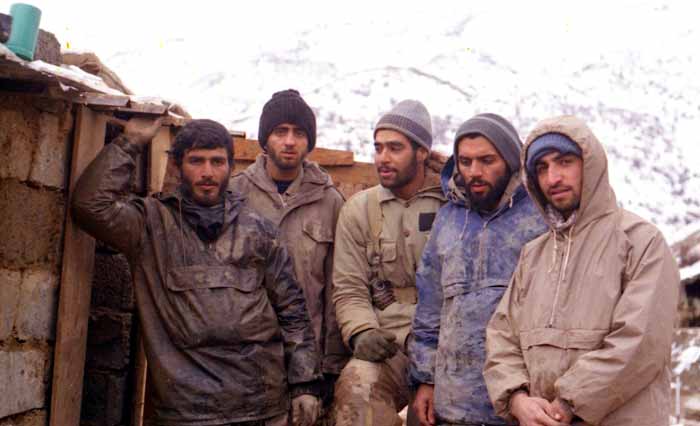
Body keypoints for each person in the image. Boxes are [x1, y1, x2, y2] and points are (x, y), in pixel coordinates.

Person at [71, 117, 321, 426]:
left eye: (217, 162)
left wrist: (304, 385)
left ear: (231, 166)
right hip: (187, 412)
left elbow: (292, 311)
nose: (207, 173)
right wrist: (130, 142)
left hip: (262, 406)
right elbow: (90, 206)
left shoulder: (259, 231)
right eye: (196, 161)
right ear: (177, 166)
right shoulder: (150, 225)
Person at [484, 115, 680, 426]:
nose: (553, 178)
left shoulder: (641, 242)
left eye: (564, 162)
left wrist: (568, 403)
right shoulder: (534, 255)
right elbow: (501, 337)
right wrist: (517, 399)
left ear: (590, 165)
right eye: (542, 168)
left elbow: (640, 343)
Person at [409, 113, 547, 426]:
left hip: (520, 407)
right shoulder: (448, 219)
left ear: (511, 161)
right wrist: (425, 378)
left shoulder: (541, 219)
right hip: (452, 406)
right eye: (465, 162)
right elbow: (430, 306)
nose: (475, 172)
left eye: (487, 160)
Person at [230, 89, 348, 416]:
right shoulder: (235, 194)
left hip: (307, 364)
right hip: (244, 358)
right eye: (280, 131)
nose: (290, 141)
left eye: (299, 133)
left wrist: (330, 366)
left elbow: (337, 289)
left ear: (309, 142)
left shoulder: (329, 202)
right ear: (264, 139)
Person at [332, 100, 446, 426]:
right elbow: (349, 287)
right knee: (357, 387)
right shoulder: (360, 210)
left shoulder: (453, 204)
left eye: (395, 148)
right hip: (391, 343)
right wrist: (362, 331)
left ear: (421, 152)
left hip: (448, 344)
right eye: (378, 147)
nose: (383, 157)